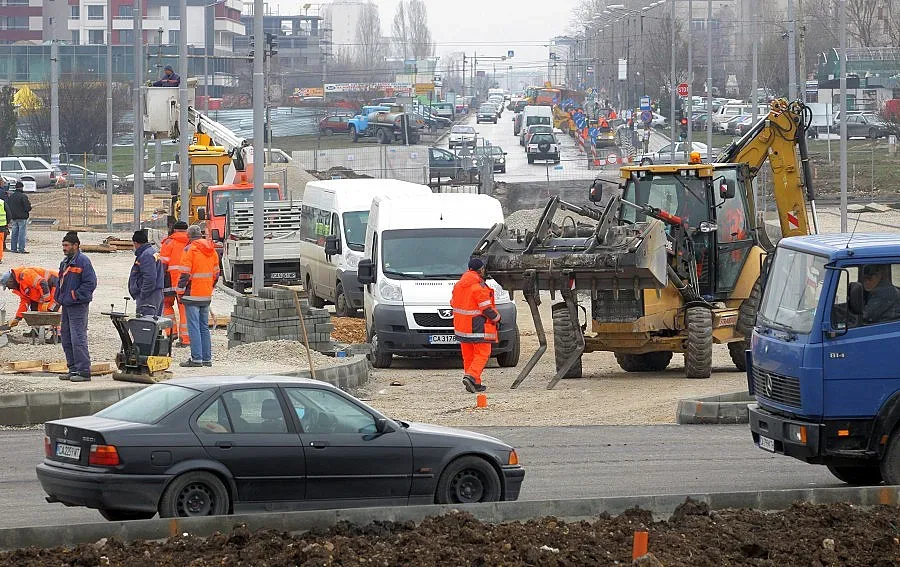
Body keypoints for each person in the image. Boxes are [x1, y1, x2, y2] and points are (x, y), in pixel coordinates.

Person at [451, 258, 501, 393]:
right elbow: (486, 309)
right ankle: (472, 376)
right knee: (483, 353)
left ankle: (475, 383)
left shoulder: (458, 285)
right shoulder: (479, 287)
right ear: (481, 270)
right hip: (478, 327)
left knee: (469, 356)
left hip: (462, 328)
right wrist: (497, 318)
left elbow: (453, 303)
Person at [55, 232, 97, 382]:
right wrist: (59, 298)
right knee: (66, 337)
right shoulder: (65, 262)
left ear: (76, 245)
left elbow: (90, 283)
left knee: (78, 338)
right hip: (67, 305)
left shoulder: (83, 261)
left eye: (66, 245)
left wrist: (74, 296)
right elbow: (60, 282)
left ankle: (84, 371)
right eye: (63, 245)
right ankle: (73, 369)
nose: (64, 248)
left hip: (78, 306)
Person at [177, 225, 219, 367]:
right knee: (204, 327)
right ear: (200, 235)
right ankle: (207, 358)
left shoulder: (190, 250)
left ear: (188, 236)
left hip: (192, 295)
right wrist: (209, 289)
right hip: (205, 295)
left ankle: (196, 359)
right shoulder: (211, 250)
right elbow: (216, 274)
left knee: (193, 327)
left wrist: (180, 291)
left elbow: (185, 274)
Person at [159, 221, 190, 345]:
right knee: (184, 308)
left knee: (166, 305)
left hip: (169, 281)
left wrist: (159, 281)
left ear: (174, 230)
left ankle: (171, 332)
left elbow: (162, 263)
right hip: (185, 281)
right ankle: (185, 338)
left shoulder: (169, 242)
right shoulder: (191, 243)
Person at [128, 229, 164, 317]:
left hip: (149, 296)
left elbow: (150, 277)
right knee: (153, 321)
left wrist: (143, 295)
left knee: (146, 322)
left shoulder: (146, 255)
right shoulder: (151, 252)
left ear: (136, 243)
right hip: (154, 293)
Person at [6, 181, 31, 254]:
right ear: (22, 187)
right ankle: (21, 249)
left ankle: (13, 248)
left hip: (14, 217)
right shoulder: (23, 196)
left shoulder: (11, 196)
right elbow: (27, 207)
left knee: (14, 233)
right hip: (22, 217)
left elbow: (8, 206)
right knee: (22, 234)